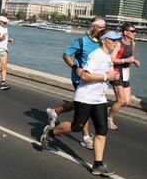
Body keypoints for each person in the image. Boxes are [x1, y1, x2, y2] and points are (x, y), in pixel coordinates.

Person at [40, 29, 121, 176]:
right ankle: (51, 132)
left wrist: (112, 76)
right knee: (77, 127)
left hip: (99, 99)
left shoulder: (108, 56)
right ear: (104, 41)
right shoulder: (96, 56)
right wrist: (105, 76)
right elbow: (84, 76)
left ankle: (98, 164)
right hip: (85, 97)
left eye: (117, 40)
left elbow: (108, 70)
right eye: (113, 40)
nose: (116, 42)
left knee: (102, 130)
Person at [45, 16, 107, 150]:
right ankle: (85, 137)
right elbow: (66, 55)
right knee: (86, 107)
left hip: (96, 81)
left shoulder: (104, 43)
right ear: (92, 27)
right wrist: (75, 68)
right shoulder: (81, 42)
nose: (103, 29)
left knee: (81, 106)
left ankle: (55, 112)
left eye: (104, 27)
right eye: (100, 27)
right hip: (81, 79)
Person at [107, 23, 141, 129]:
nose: (135, 33)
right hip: (116, 72)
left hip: (125, 73)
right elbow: (111, 59)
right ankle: (109, 119)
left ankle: (104, 106)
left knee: (126, 102)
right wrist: (125, 60)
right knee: (121, 100)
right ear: (125, 32)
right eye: (132, 31)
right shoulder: (118, 44)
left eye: (135, 31)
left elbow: (131, 56)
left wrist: (134, 61)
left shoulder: (133, 44)